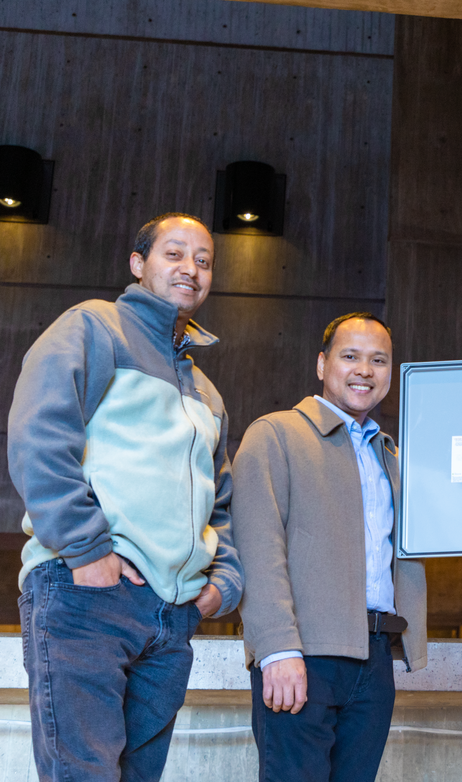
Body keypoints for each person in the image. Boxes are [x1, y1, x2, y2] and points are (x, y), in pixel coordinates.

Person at [10, 212, 243, 781]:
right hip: (88, 595)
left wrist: (223, 584)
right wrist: (88, 552)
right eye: (175, 253)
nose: (191, 267)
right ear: (138, 265)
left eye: (204, 260)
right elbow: (39, 435)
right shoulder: (94, 326)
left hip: (172, 615)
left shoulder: (206, 392)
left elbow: (223, 503)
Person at [232, 312, 428, 782]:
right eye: (350, 356)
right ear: (322, 365)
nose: (365, 370)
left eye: (379, 360)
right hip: (303, 655)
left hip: (375, 655)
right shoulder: (275, 434)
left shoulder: (394, 456)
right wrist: (277, 650)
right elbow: (258, 546)